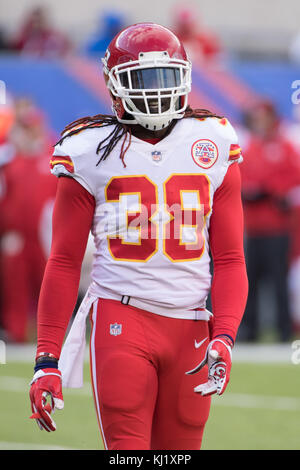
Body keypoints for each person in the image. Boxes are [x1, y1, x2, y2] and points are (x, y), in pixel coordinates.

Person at [29, 23, 248, 450]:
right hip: (121, 317)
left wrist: (224, 334)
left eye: (165, 77)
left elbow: (230, 258)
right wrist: (46, 358)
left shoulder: (213, 140)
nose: (155, 90)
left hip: (192, 324)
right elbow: (63, 261)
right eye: (141, 79)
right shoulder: (89, 148)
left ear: (185, 76)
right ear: (113, 83)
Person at [239, 101, 300, 342]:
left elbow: (292, 180)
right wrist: (251, 191)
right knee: (250, 282)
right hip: (253, 229)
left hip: (277, 228)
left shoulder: (284, 147)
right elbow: (241, 180)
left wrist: (271, 191)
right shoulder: (250, 147)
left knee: (278, 282)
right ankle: (249, 330)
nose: (259, 123)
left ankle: (284, 331)